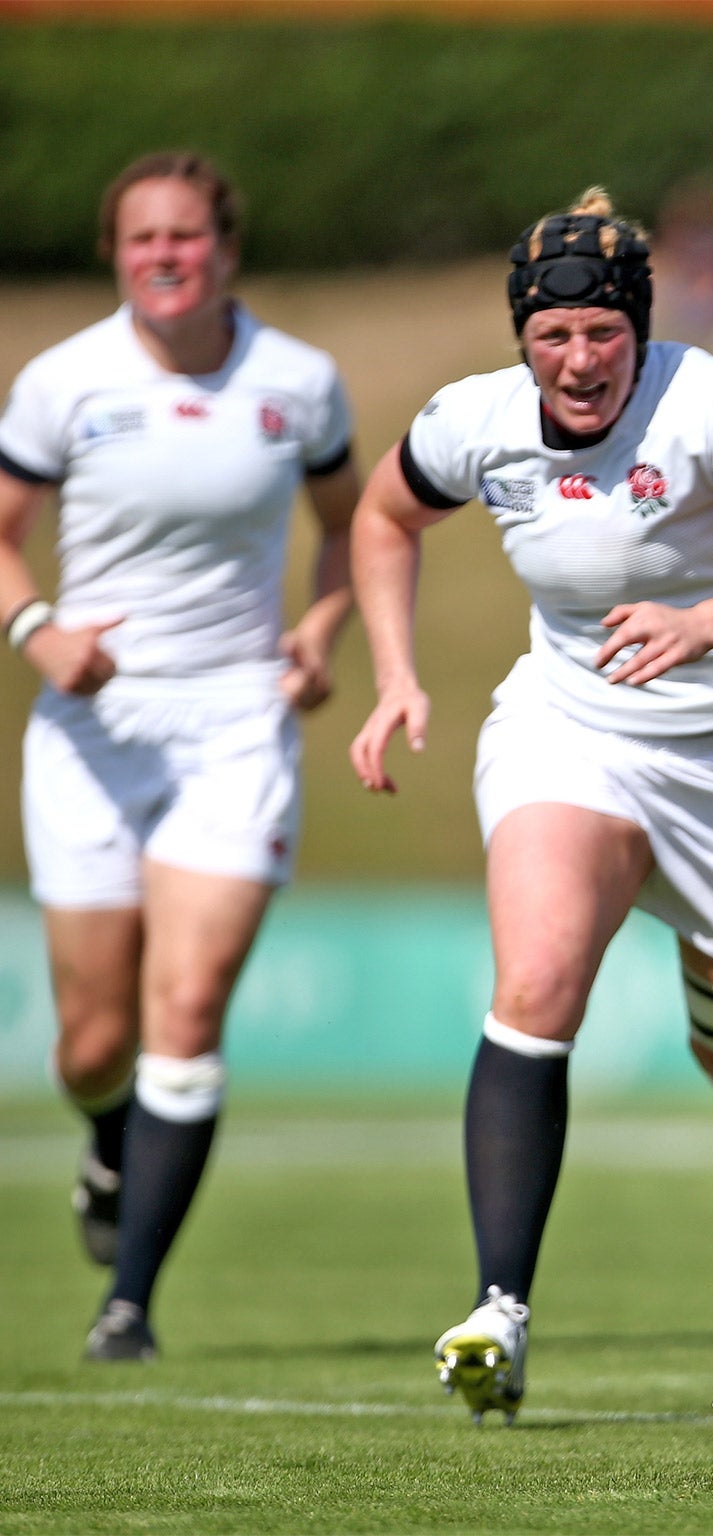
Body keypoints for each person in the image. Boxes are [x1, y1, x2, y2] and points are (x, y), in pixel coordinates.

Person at [346, 189, 713, 1423]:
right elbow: (381, 517)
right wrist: (397, 672)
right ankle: (499, 1314)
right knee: (534, 988)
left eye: (601, 334)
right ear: (522, 337)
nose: (577, 360)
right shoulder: (471, 419)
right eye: (551, 335)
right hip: (572, 731)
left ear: (638, 329)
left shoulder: (711, 405)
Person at [0, 152, 359, 1361]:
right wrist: (35, 630)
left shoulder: (299, 384)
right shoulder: (63, 383)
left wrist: (319, 630)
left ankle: (129, 1304)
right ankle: (110, 1144)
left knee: (187, 1009)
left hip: (236, 727)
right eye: (144, 237)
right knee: (93, 1045)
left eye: (188, 236)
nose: (166, 255)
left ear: (226, 248)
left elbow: (357, 527)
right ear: (116, 253)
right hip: (94, 731)